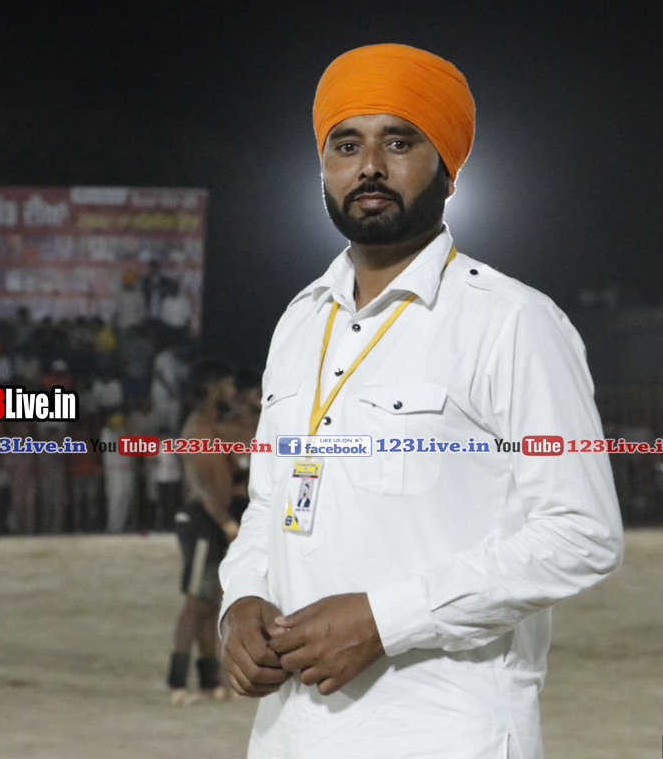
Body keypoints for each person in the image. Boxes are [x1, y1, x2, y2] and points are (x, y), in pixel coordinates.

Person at [217, 43, 623, 759]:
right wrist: (240, 601)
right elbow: (270, 502)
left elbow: (582, 534)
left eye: (399, 142)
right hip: (290, 731)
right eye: (347, 145)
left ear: (448, 167)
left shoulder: (511, 322)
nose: (369, 166)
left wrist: (386, 620)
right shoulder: (300, 321)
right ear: (324, 167)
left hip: (444, 731)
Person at [168, 360, 240, 705]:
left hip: (210, 520)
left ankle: (210, 680)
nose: (232, 391)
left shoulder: (212, 427)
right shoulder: (198, 430)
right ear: (213, 389)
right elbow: (201, 486)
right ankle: (177, 683)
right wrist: (225, 521)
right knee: (195, 605)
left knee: (209, 604)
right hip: (201, 520)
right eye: (227, 385)